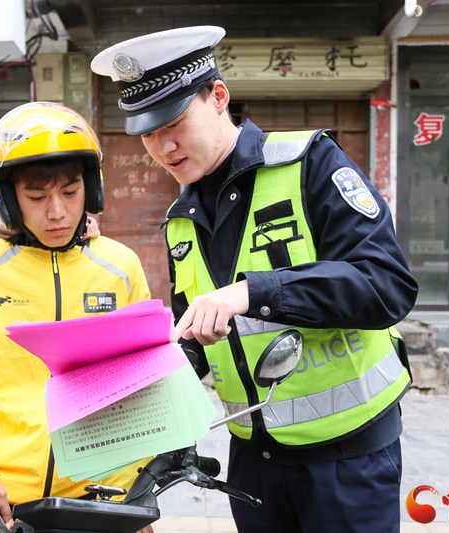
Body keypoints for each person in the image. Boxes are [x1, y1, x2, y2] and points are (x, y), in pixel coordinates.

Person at [91, 26, 418, 533]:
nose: (163, 146)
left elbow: (386, 283)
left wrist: (253, 291)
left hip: (348, 457)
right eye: (148, 133)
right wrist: (137, 381)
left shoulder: (310, 162)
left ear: (219, 96)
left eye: (174, 123)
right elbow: (195, 331)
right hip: (253, 462)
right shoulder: (180, 221)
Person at [0, 102, 152, 531]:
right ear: (7, 198)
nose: (57, 212)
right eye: (37, 197)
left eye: (70, 193)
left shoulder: (120, 266)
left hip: (97, 495)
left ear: (92, 188)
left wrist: (132, 495)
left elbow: (142, 383)